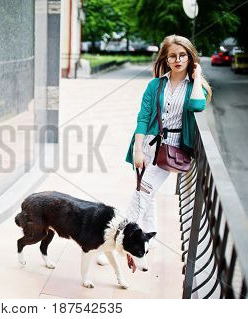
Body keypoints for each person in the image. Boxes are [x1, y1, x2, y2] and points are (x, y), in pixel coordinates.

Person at [96, 34, 212, 266]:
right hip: (147, 145)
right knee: (146, 192)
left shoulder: (195, 87)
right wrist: (138, 150)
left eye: (183, 55)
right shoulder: (155, 85)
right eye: (173, 56)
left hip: (171, 150)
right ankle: (151, 235)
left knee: (141, 195)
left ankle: (114, 241)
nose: (178, 59)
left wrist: (197, 75)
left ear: (190, 58)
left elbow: (198, 105)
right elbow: (143, 118)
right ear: (166, 59)